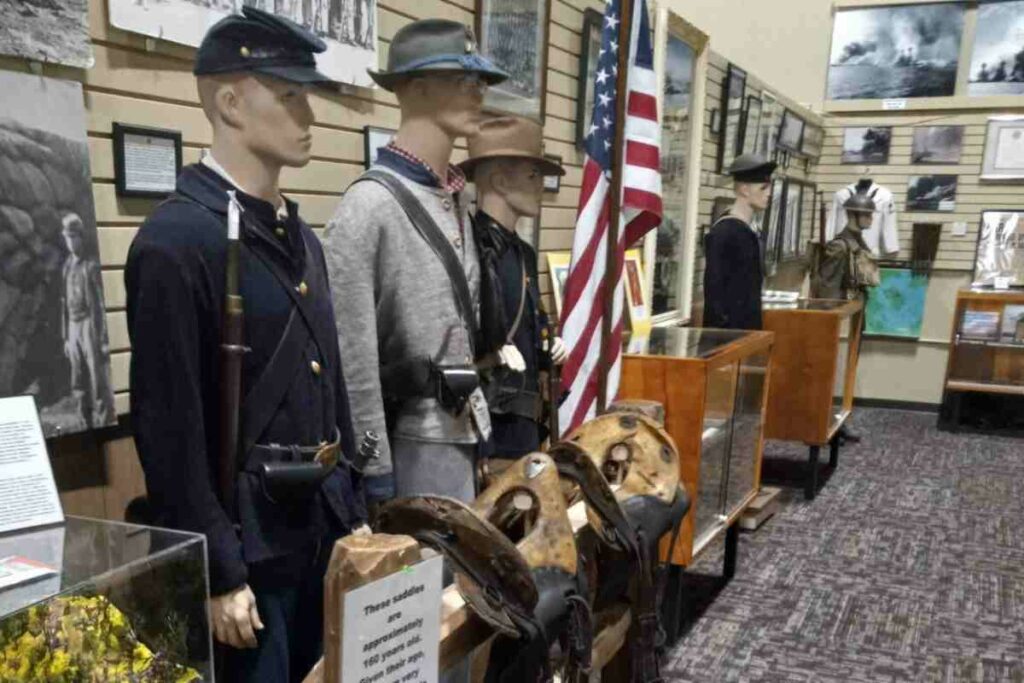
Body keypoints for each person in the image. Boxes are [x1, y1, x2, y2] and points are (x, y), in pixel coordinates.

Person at [124, 8, 365, 681]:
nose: (307, 114)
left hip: (320, 535)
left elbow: (333, 382)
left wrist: (354, 512)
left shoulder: (302, 239)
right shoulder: (176, 243)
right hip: (249, 557)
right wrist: (219, 570)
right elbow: (169, 429)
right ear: (230, 102)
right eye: (287, 95)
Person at [323, 19, 508, 507]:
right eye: (463, 80)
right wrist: (374, 466)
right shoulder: (369, 207)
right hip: (411, 442)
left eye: (481, 82)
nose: (478, 94)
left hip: (459, 429)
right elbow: (353, 358)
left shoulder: (452, 196)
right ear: (416, 87)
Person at [459, 116, 569, 460]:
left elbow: (531, 317)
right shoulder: (467, 247)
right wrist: (489, 351)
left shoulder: (522, 252)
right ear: (501, 181)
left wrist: (548, 341)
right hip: (486, 422)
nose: (541, 186)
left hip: (524, 419)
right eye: (533, 176)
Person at [814, 192, 880, 445]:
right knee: (830, 371)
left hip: (854, 314)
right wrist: (831, 322)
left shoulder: (858, 244)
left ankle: (839, 418)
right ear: (853, 215)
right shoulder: (840, 247)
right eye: (867, 214)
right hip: (839, 319)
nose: (871, 219)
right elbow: (827, 290)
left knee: (847, 372)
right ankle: (827, 419)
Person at [703, 153, 776, 330]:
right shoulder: (725, 232)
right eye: (763, 188)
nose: (769, 194)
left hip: (747, 332)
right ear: (744, 189)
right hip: (729, 335)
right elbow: (715, 292)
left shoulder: (746, 230)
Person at [61, 212, 115, 430]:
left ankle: (103, 422)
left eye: (74, 236)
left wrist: (102, 337)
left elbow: (100, 305)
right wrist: (65, 336)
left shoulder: (91, 266)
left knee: (97, 379)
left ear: (82, 237)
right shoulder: (66, 266)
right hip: (73, 327)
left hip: (88, 324)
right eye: (68, 237)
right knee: (78, 376)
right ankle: (85, 422)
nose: (71, 241)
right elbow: (63, 302)